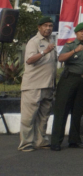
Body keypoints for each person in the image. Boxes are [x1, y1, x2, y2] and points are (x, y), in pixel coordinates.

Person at [51, 22, 83, 151]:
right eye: (81, 31)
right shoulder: (70, 45)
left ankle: (74, 140)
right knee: (62, 111)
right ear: (76, 33)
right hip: (69, 80)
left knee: (78, 112)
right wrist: (75, 51)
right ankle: (56, 141)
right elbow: (61, 58)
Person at [18, 16, 57, 152]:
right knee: (28, 117)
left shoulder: (51, 40)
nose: (48, 28)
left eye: (50, 26)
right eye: (45, 25)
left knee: (44, 116)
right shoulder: (33, 42)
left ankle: (41, 141)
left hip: (48, 85)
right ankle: (26, 143)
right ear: (39, 27)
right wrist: (44, 52)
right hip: (33, 86)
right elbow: (29, 60)